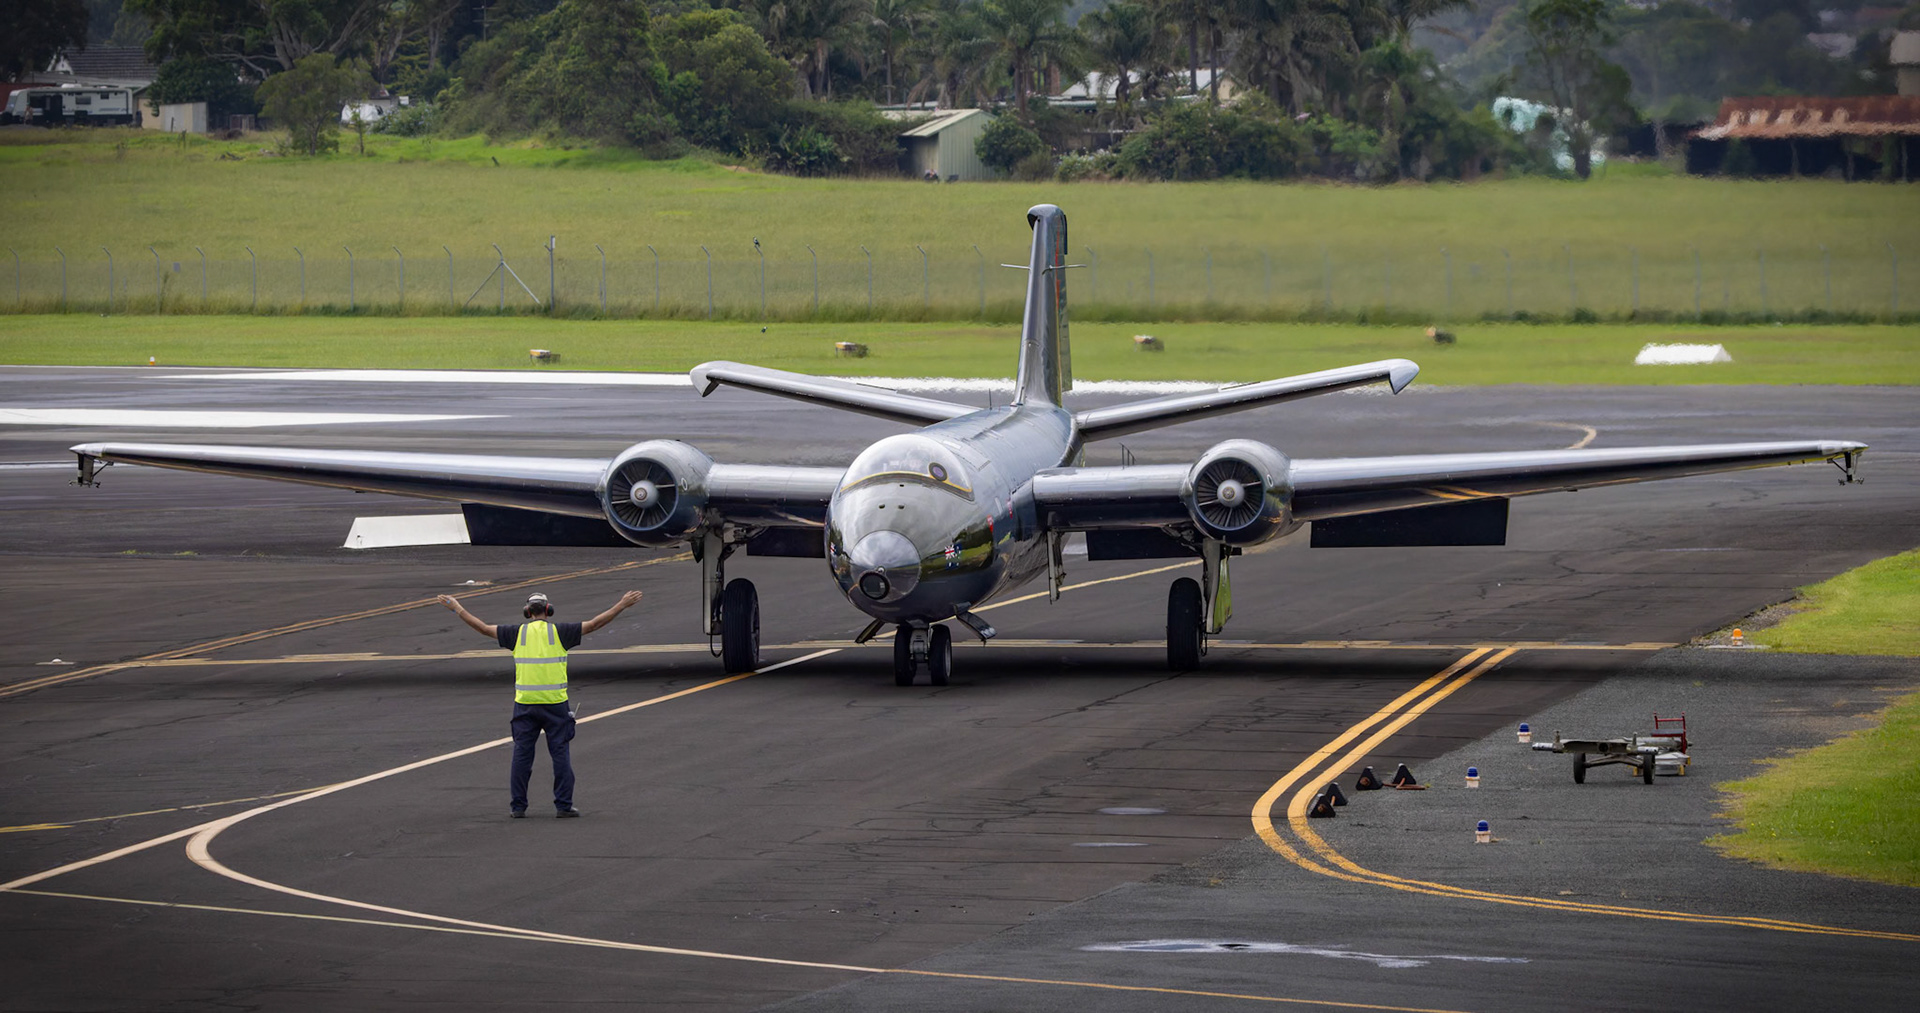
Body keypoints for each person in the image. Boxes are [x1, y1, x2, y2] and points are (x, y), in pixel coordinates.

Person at [437, 589, 644, 818]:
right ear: (548, 610)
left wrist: (457, 607)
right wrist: (622, 604)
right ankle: (563, 805)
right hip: (555, 704)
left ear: (527, 612)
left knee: (522, 756)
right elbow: (595, 624)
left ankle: (518, 807)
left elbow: (483, 628)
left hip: (525, 704)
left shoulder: (516, 633)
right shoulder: (560, 632)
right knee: (560, 755)